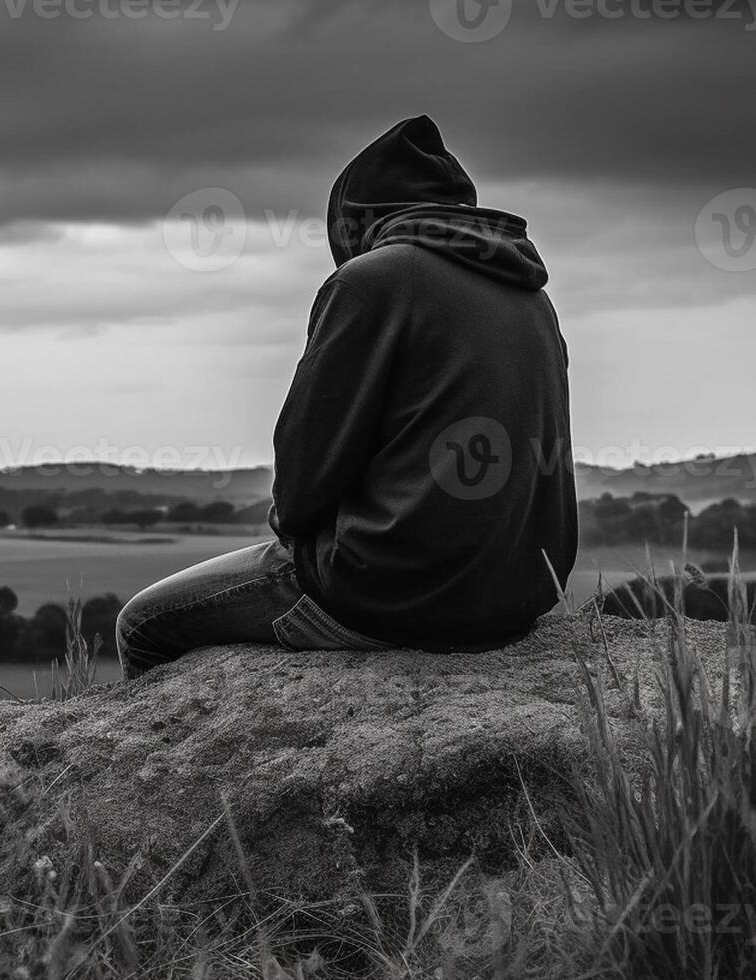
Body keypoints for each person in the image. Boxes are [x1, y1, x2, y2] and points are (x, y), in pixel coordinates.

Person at [117, 115, 577, 677]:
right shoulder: (533, 297)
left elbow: (306, 472)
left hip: (388, 593)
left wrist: (297, 531)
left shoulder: (371, 282)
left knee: (140, 624)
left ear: (354, 218)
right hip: (517, 599)